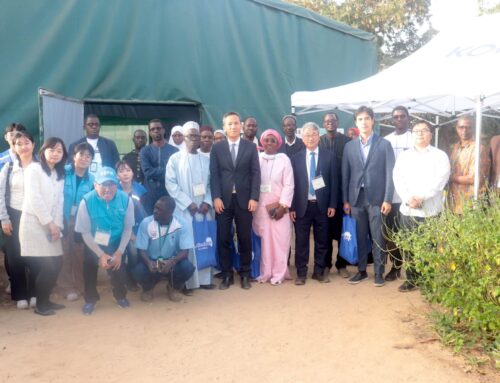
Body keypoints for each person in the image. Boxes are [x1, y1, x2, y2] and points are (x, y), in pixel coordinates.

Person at [393, 121, 450, 291]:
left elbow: (440, 180)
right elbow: (397, 178)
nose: (420, 134)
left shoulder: (440, 156)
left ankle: (428, 281)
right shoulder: (404, 156)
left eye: (424, 130)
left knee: (429, 246)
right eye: (416, 131)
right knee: (409, 246)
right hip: (408, 209)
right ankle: (411, 279)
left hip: (430, 210)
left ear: (431, 134)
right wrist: (408, 198)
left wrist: (421, 197)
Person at [342, 106, 395, 287]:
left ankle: (379, 272)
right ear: (356, 123)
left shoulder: (384, 144)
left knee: (378, 237)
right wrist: (345, 200)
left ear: (373, 121)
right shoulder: (349, 147)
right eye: (360, 119)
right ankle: (362, 271)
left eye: (367, 118)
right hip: (356, 199)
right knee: (359, 235)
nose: (363, 122)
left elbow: (390, 173)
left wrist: (387, 198)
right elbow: (345, 175)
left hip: (377, 199)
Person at [210, 111, 260, 290]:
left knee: (245, 238)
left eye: (236, 123)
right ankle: (227, 274)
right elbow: (214, 174)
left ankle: (245, 274)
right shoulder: (217, 148)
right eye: (229, 124)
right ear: (224, 127)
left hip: (245, 200)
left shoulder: (250, 147)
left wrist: (254, 197)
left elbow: (255, 173)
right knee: (224, 237)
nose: (233, 126)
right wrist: (215, 197)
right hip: (223, 201)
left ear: (241, 126)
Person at [75, 166, 134, 315]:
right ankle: (90, 299)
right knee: (89, 267)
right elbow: (85, 232)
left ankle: (120, 295)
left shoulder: (126, 200)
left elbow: (128, 229)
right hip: (94, 241)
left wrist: (120, 252)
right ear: (95, 185)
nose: (108, 189)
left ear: (117, 184)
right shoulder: (86, 202)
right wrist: (100, 254)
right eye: (103, 185)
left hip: (116, 239)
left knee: (119, 268)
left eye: (111, 184)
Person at [19, 137, 67, 316]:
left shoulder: (58, 174)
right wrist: (50, 224)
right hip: (34, 224)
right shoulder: (34, 169)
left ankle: (46, 300)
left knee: (57, 262)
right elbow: (35, 199)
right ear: (43, 151)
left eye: (59, 151)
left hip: (52, 226)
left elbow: (59, 202)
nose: (55, 154)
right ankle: (40, 305)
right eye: (52, 149)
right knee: (47, 266)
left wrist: (57, 226)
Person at [166, 121, 214, 291]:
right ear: (183, 138)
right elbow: (171, 185)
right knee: (188, 245)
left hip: (203, 210)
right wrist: (189, 203)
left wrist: (207, 202)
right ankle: (187, 282)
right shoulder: (175, 159)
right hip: (184, 211)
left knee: (204, 243)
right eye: (190, 136)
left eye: (196, 136)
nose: (194, 139)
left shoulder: (206, 159)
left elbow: (210, 184)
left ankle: (205, 280)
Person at [290, 122, 336, 285]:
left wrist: (332, 205)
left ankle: (319, 271)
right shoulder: (295, 158)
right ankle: (301, 273)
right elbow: (292, 185)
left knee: (322, 241)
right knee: (301, 242)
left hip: (322, 206)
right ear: (302, 138)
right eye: (307, 135)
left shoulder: (329, 156)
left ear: (319, 136)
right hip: (302, 206)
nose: (310, 138)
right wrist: (292, 207)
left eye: (313, 134)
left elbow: (334, 182)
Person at [133, 196, 195, 302]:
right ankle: (148, 289)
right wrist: (148, 263)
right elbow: (141, 250)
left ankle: (173, 288)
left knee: (187, 267)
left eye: (159, 209)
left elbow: (185, 251)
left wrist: (172, 262)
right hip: (153, 262)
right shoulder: (146, 223)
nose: (155, 211)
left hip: (172, 262)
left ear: (170, 211)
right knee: (138, 270)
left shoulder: (182, 224)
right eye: (155, 208)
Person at [0, 131, 36, 309]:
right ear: (14, 147)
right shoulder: (7, 167)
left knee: (35, 255)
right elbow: (0, 195)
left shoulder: (40, 166)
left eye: (27, 142)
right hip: (13, 214)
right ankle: (20, 294)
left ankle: (35, 292)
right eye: (19, 144)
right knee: (15, 255)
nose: (24, 146)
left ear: (33, 145)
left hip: (35, 215)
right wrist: (4, 219)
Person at [252, 129, 294, 285]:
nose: (269, 143)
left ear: (278, 143)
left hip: (279, 209)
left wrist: (282, 207)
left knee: (280, 241)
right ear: (262, 142)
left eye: (273, 140)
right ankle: (266, 272)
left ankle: (279, 273)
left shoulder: (284, 159)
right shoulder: (257, 158)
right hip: (261, 209)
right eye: (266, 140)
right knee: (265, 242)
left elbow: (289, 184)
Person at [56, 142, 95, 302]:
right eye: (81, 155)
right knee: (64, 253)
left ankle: (81, 286)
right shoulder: (62, 173)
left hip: (82, 221)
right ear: (74, 156)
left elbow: (93, 204)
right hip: (62, 219)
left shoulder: (93, 179)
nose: (85, 159)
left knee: (80, 254)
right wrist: (59, 221)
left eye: (88, 156)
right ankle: (66, 287)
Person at [319, 112, 352, 280]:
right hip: (324, 195)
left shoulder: (347, 142)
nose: (330, 123)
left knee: (342, 232)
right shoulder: (319, 142)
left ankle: (341, 264)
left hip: (341, 194)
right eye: (327, 121)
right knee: (325, 231)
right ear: (323, 124)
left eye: (333, 120)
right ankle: (325, 265)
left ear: (337, 122)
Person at [383, 106, 413, 282]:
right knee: (392, 235)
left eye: (402, 116)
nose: (399, 119)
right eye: (396, 117)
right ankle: (396, 266)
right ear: (392, 120)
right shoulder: (386, 140)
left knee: (410, 234)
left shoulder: (414, 139)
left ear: (408, 118)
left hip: (411, 198)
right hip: (391, 197)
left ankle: (413, 270)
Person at [448, 116, 491, 214]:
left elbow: (474, 178)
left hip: (470, 204)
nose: (464, 130)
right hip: (453, 202)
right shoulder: (455, 147)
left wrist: (450, 177)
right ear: (456, 128)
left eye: (468, 127)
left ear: (473, 128)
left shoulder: (478, 148)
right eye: (461, 127)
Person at [116, 160, 147, 292]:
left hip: (137, 228)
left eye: (128, 170)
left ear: (133, 173)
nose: (125, 174)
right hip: (118, 229)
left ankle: (133, 278)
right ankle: (121, 281)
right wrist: (128, 233)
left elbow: (144, 212)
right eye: (121, 171)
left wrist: (139, 232)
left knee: (135, 253)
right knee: (122, 254)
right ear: (116, 175)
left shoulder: (141, 190)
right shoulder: (113, 190)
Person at [140, 119, 178, 214]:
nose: (156, 131)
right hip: (150, 193)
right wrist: (168, 171)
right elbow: (148, 173)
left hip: (169, 192)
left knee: (169, 220)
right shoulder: (145, 151)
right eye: (153, 129)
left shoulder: (174, 151)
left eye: (158, 128)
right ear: (150, 132)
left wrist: (156, 172)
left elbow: (176, 173)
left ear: (163, 130)